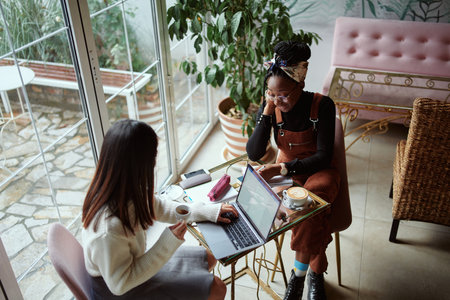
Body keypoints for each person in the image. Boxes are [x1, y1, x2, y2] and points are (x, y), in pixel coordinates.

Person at [82, 119, 238, 299]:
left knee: (209, 257)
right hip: (120, 291)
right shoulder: (108, 230)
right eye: (153, 158)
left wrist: (207, 212)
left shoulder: (124, 189)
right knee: (217, 288)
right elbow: (121, 284)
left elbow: (161, 207)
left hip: (131, 267)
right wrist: (167, 242)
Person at [246, 41, 340, 300]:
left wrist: (283, 167)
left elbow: (323, 157)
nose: (279, 100)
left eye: (283, 94)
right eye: (271, 94)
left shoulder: (322, 105)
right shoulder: (273, 107)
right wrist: (267, 109)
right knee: (310, 214)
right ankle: (315, 272)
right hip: (289, 171)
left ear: (300, 84)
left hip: (319, 170)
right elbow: (254, 152)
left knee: (309, 200)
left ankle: (297, 280)